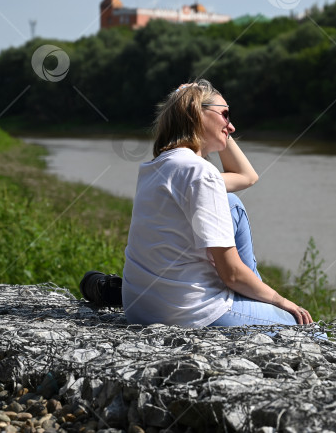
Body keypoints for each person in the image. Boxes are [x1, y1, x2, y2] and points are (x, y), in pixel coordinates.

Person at [120, 80, 313, 328]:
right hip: (186, 312)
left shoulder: (158, 167)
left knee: (231, 202)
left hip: (140, 309)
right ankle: (258, 298)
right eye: (225, 115)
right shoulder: (200, 173)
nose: (231, 126)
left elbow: (247, 177)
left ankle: (253, 295)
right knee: (306, 330)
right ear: (196, 114)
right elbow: (231, 274)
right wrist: (280, 300)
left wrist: (213, 122)